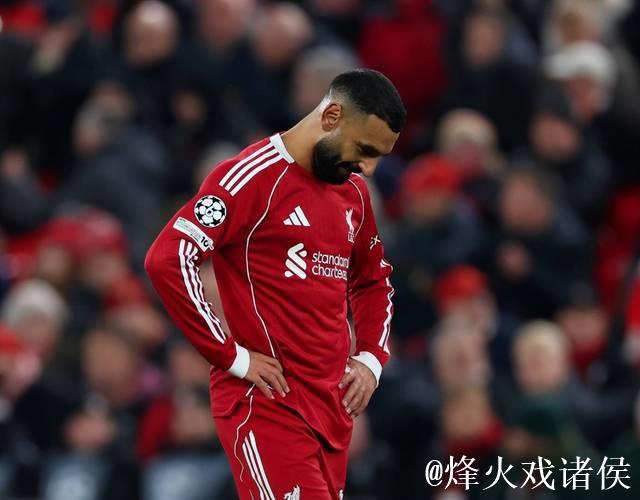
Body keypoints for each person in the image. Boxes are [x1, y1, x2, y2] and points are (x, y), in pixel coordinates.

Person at [144, 69, 405, 499]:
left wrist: (371, 359)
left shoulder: (354, 194)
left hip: (331, 412)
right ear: (332, 117)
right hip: (267, 406)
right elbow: (169, 258)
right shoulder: (250, 177)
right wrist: (230, 355)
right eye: (364, 149)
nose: (369, 168)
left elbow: (374, 281)